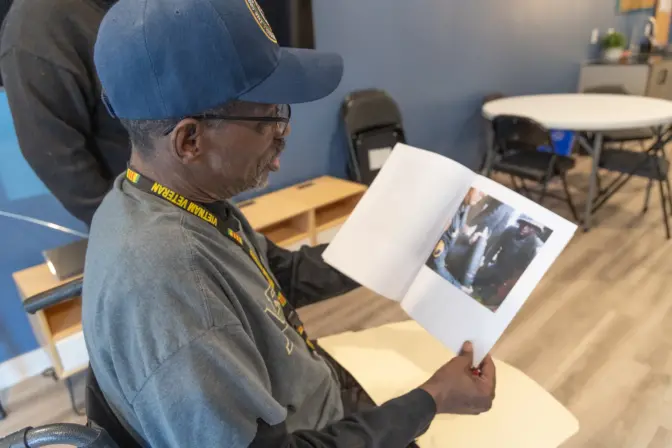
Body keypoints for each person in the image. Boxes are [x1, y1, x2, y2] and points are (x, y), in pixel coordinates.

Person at [82, 0, 496, 446]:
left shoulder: (166, 199)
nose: (285, 130)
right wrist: (432, 398)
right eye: (268, 118)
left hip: (311, 393)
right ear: (189, 140)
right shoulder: (170, 285)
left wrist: (404, 246)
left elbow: (274, 275)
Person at [0, 0, 129, 226]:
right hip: (147, 212)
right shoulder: (38, 30)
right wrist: (123, 226)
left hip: (200, 181)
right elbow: (55, 156)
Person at [473, 215, 544, 307]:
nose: (524, 227)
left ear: (534, 230)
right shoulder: (510, 231)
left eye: (529, 226)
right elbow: (495, 246)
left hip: (510, 278)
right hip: (497, 267)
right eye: (523, 224)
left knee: (489, 298)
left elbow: (528, 271)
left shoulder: (535, 246)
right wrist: (485, 262)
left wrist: (510, 283)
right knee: (474, 280)